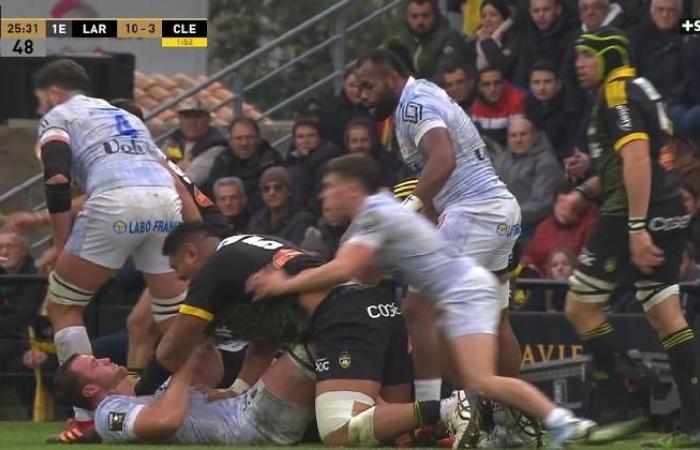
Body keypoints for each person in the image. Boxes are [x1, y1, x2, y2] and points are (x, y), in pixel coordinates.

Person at [248, 154, 597, 450]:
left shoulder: (373, 214)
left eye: (329, 187)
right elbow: (359, 271)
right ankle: (528, 425)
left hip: (464, 293)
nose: (324, 196)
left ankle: (562, 421)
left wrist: (285, 285)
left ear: (349, 187)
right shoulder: (379, 211)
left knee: (481, 381)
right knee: (473, 380)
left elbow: (344, 269)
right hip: (460, 294)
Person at [133, 223, 473, 447]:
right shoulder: (255, 247)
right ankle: (477, 421)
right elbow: (267, 335)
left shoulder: (215, 269)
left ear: (192, 254)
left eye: (180, 272)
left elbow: (174, 346)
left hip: (343, 319)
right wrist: (237, 389)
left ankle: (450, 408)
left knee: (340, 432)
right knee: (393, 435)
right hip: (376, 306)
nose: (184, 283)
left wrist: (141, 391)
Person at [352, 48, 534, 447]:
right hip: (499, 211)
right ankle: (512, 423)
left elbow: (443, 159)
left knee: (421, 307)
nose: (361, 95)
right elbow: (438, 173)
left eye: (368, 85)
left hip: (475, 212)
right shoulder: (424, 96)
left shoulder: (413, 104)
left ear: (394, 78)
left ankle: (453, 414)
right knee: (498, 319)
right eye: (357, 88)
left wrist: (407, 212)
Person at [32, 59, 188, 442]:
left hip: (115, 202)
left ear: (53, 92)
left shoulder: (58, 116)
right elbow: (175, 174)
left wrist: (60, 244)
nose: (40, 108)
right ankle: (199, 399)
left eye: (40, 100)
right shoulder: (125, 115)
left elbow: (56, 177)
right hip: (165, 202)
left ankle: (86, 418)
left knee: (63, 304)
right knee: (175, 318)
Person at [565, 27, 700, 446]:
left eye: (587, 56)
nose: (579, 64)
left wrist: (637, 227)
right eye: (576, 58)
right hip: (670, 205)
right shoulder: (641, 86)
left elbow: (637, 158)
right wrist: (584, 191)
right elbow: (640, 159)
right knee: (665, 313)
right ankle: (695, 426)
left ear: (608, 55)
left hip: (633, 213)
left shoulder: (616, 91)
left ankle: (624, 404)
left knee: (579, 307)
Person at [54, 351, 315, 445]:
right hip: (251, 424)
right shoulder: (107, 415)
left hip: (247, 406)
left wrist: (202, 341)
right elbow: (165, 422)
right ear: (90, 390)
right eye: (95, 364)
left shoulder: (142, 391)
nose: (104, 359)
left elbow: (211, 374)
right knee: (309, 348)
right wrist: (184, 362)